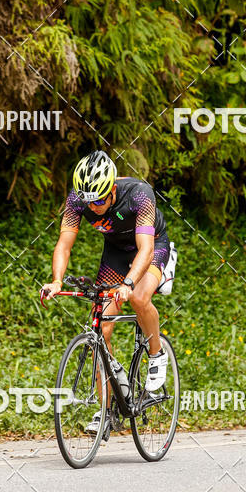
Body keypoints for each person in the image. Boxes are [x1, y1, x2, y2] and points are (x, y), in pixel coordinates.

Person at [42, 150, 170, 434]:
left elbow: (146, 249)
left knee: (138, 297)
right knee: (100, 330)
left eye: (101, 200)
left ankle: (157, 353)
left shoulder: (139, 194)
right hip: (115, 252)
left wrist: (128, 283)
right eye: (91, 202)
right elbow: (64, 244)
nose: (95, 207)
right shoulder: (78, 199)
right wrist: (57, 281)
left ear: (112, 189)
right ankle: (107, 410)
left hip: (151, 246)